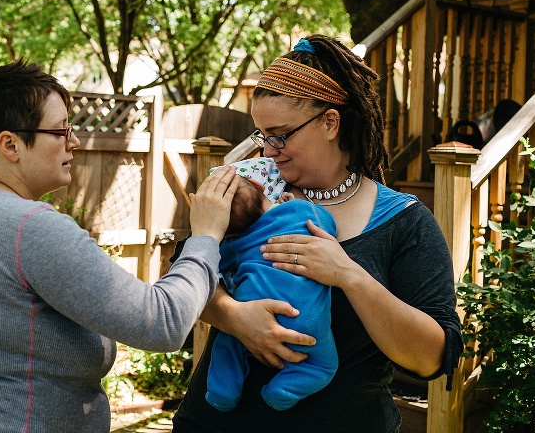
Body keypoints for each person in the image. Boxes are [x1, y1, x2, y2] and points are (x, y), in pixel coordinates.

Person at [0, 60, 240, 433]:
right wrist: (205, 237)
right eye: (60, 131)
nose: (74, 141)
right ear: (10, 144)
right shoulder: (30, 227)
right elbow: (162, 323)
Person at [172, 35, 462, 432]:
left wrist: (349, 275)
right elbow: (186, 278)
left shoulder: (404, 221)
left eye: (281, 134)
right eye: (261, 135)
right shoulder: (249, 192)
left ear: (329, 122)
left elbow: (431, 358)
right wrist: (235, 317)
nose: (268, 150)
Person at [205, 157, 338, 412]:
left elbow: (214, 266)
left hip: (248, 307)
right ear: (259, 186)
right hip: (305, 320)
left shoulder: (234, 242)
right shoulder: (303, 212)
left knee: (229, 344)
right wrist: (296, 205)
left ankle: (222, 393)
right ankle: (282, 391)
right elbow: (329, 227)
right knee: (323, 366)